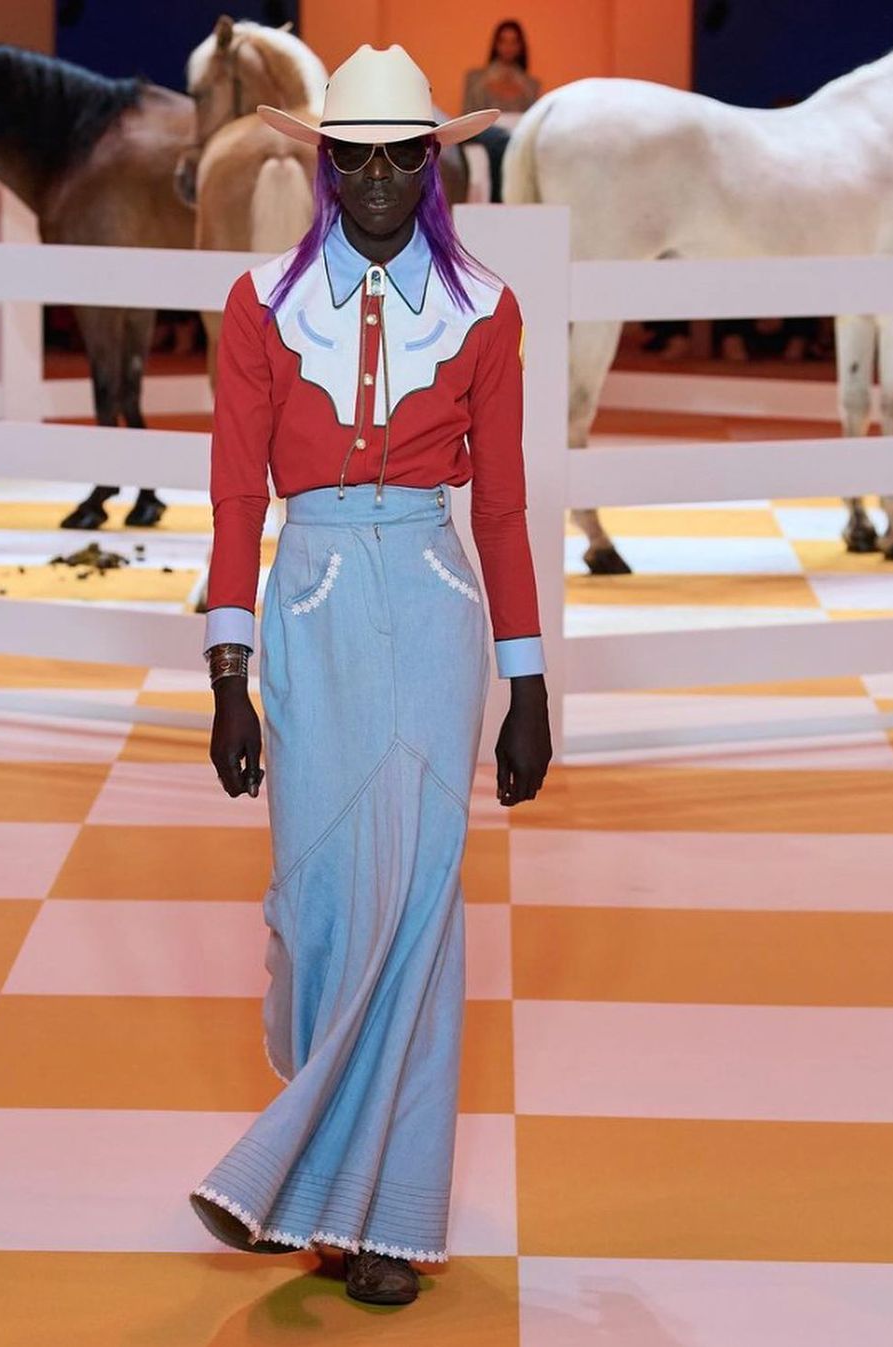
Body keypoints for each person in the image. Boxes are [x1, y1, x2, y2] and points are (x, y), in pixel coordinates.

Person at [189, 42, 552, 1308]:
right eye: (358, 158)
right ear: (326, 165)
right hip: (311, 607)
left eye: (405, 157)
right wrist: (227, 670)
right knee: (326, 906)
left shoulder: (486, 310)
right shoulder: (259, 305)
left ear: (432, 165)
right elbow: (237, 496)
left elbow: (501, 506)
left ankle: (388, 1217)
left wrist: (528, 683)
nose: (382, 179)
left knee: (421, 904)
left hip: (436, 606)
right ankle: (328, 1189)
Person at [462, 20, 541, 130]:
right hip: (483, 135)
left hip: (517, 135)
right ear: (495, 44)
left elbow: (532, 124)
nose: (508, 47)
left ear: (521, 46)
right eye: (503, 41)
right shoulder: (475, 79)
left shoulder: (531, 86)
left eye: (514, 42)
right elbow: (467, 119)